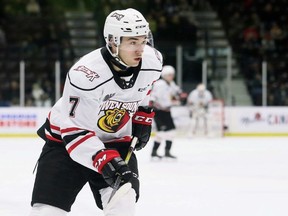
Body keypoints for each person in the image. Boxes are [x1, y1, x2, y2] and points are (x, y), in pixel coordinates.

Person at [29, 8, 162, 216]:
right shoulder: (86, 75)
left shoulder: (152, 61)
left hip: (115, 140)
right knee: (47, 212)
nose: (140, 50)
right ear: (112, 42)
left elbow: (144, 87)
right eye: (132, 42)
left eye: (143, 41)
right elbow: (74, 132)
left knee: (123, 204)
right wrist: (104, 160)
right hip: (65, 143)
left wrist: (142, 114)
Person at [150, 65, 187, 159]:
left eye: (172, 75)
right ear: (165, 75)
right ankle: (155, 152)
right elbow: (153, 96)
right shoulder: (160, 84)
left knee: (170, 131)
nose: (171, 76)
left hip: (166, 111)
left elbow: (177, 91)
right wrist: (153, 103)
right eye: (169, 75)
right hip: (159, 111)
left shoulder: (171, 83)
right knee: (162, 132)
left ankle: (166, 152)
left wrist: (180, 95)